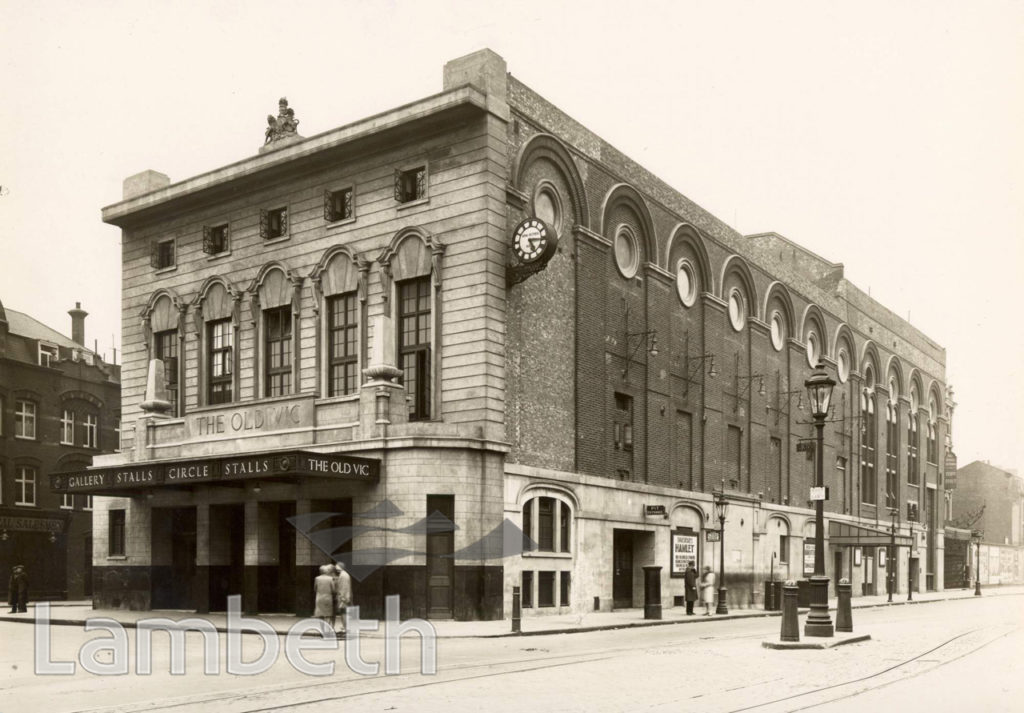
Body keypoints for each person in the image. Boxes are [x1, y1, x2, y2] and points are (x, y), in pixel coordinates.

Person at [313, 564, 337, 632]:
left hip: (319, 598)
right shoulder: (330, 579)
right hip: (328, 598)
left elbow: (315, 588)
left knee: (320, 616)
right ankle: (328, 630)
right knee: (328, 615)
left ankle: (322, 631)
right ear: (326, 571)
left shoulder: (317, 578)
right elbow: (333, 589)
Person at [333, 562, 353, 635]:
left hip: (343, 598)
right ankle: (346, 628)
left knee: (343, 613)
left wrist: (343, 598)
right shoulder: (344, 574)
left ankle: (346, 629)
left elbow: (343, 588)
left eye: (337, 568)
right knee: (344, 613)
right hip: (345, 597)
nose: (336, 570)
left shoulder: (343, 575)